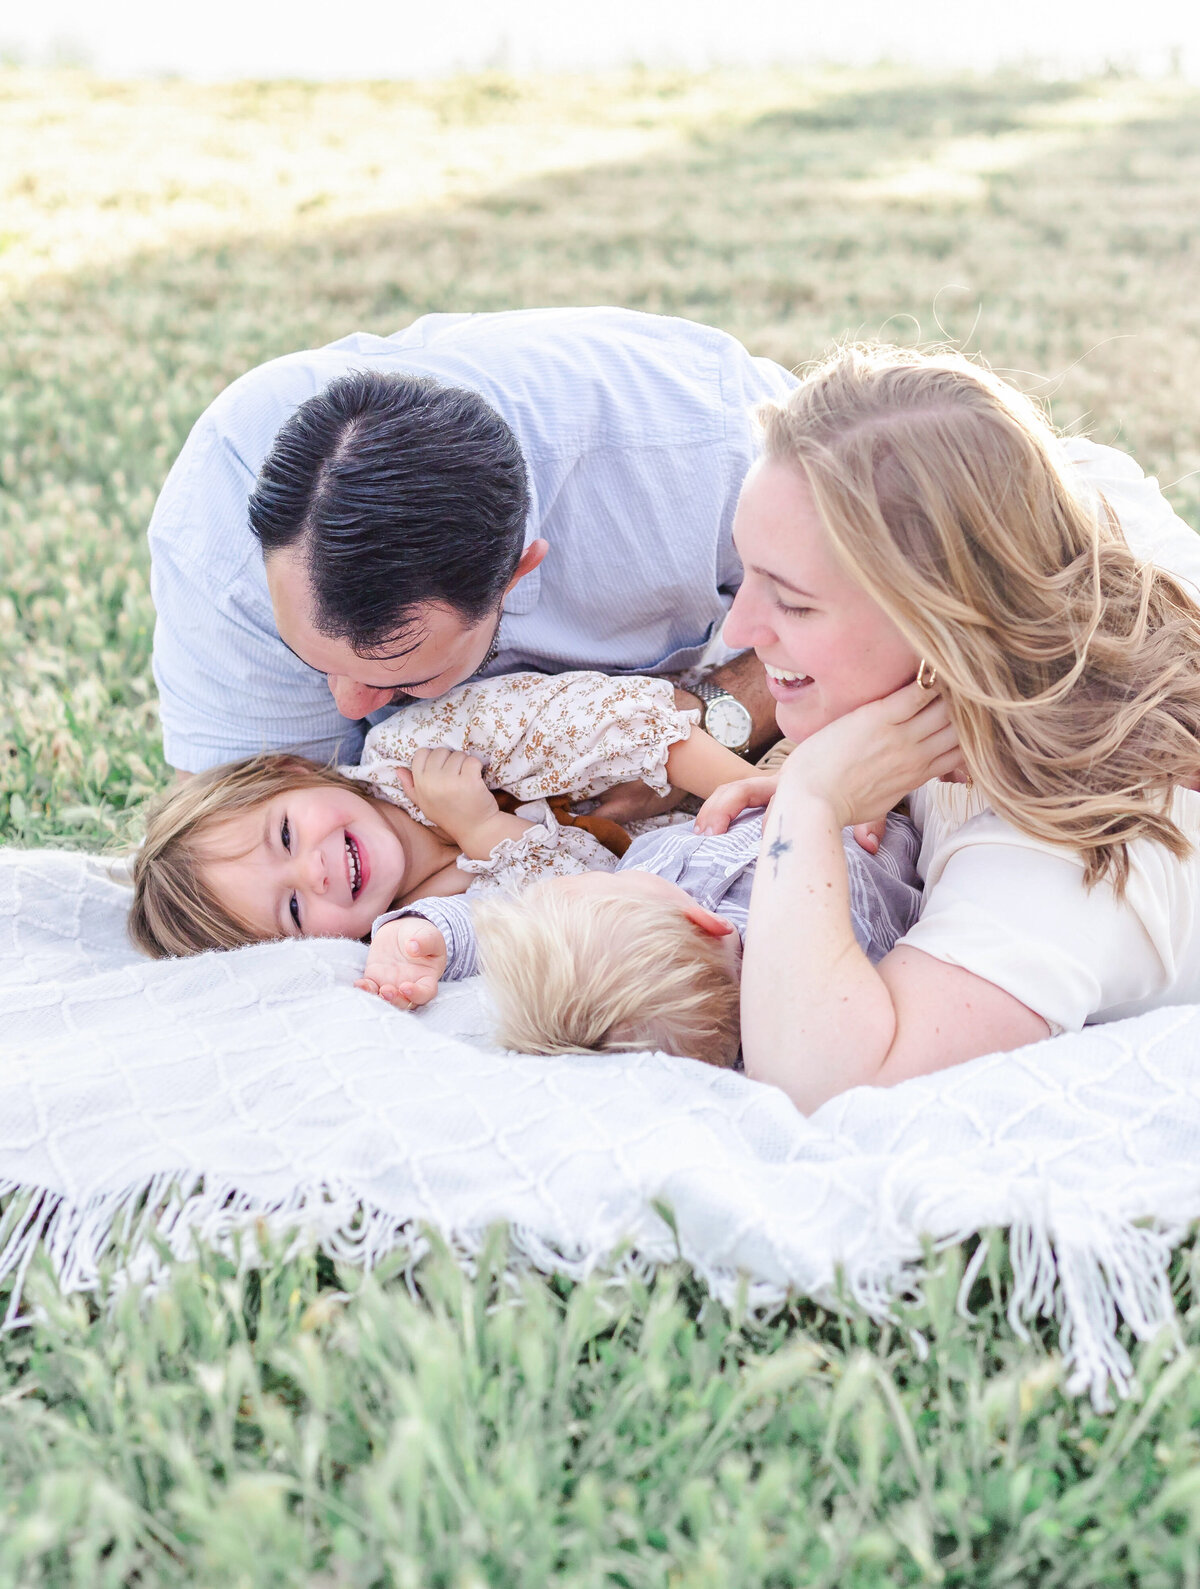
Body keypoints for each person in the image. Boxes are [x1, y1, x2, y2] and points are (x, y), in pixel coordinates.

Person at [694, 342, 1200, 1115]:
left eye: (793, 602)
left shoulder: (1069, 841)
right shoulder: (1058, 514)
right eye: (746, 573)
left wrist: (812, 797)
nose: (738, 626)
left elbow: (823, 1082)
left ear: (945, 626)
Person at [148, 307, 796, 802]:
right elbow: (235, 825)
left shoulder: (719, 444)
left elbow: (884, 606)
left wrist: (706, 719)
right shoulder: (220, 520)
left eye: (401, 679)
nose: (347, 706)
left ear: (517, 574)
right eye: (312, 659)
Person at [128, 669, 753, 958]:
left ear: (291, 773)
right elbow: (598, 904)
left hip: (731, 764)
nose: (313, 872)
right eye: (293, 910)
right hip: (725, 888)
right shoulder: (430, 927)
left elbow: (607, 721)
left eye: (286, 834)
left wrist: (766, 796)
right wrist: (483, 831)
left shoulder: (418, 749)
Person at [363, 808, 921, 1069]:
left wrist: (425, 930)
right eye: (606, 876)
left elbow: (506, 925)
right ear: (703, 922)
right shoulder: (821, 931)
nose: (586, 874)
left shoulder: (629, 937)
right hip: (862, 811)